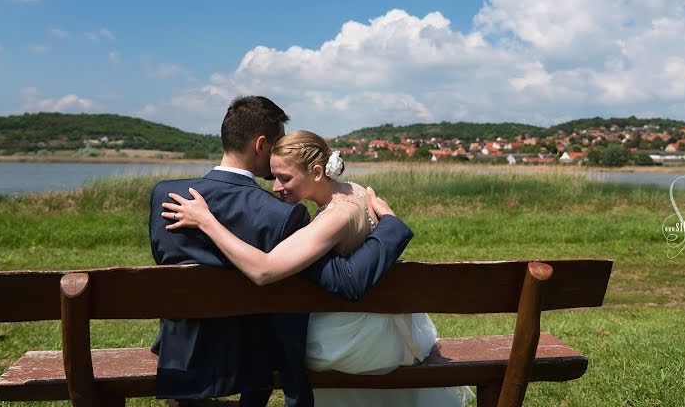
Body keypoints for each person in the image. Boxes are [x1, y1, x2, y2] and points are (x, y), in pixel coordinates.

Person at [162, 130, 474, 407]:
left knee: (264, 339)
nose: (278, 188)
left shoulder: (334, 217)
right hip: (385, 326)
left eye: (286, 178)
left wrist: (206, 221)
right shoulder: (358, 191)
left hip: (353, 341)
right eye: (275, 178)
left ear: (315, 171)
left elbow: (264, 270)